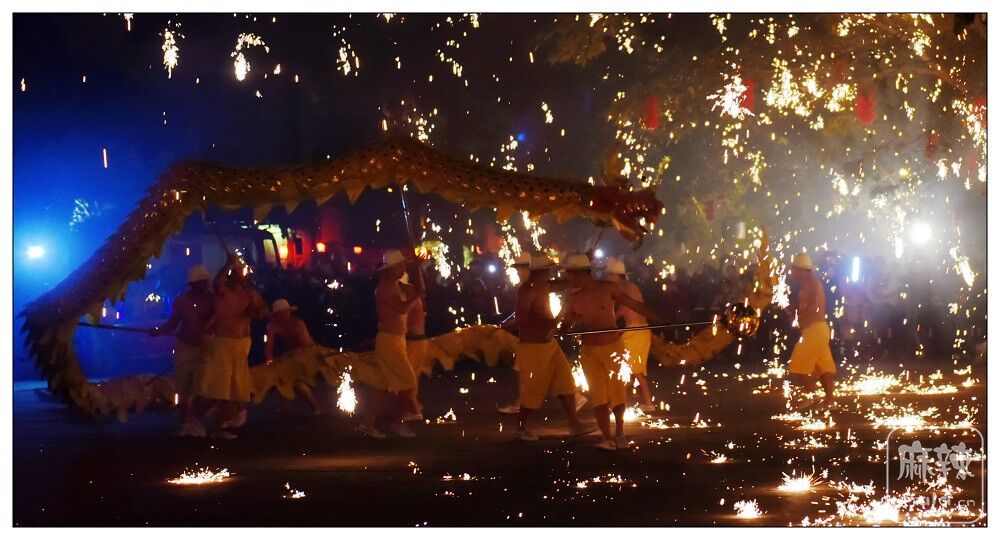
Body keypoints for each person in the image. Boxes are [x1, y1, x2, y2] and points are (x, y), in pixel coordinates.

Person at [559, 253, 663, 451]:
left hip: (613, 348)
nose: (567, 279)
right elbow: (565, 325)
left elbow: (634, 305)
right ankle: (607, 437)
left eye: (569, 274)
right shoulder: (573, 299)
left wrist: (658, 318)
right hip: (589, 352)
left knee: (617, 394)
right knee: (599, 397)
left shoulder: (607, 288)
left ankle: (620, 434)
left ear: (579, 274)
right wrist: (562, 328)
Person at [512, 254, 592, 441]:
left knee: (566, 383)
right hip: (533, 348)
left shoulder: (545, 285)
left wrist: (580, 268)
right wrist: (547, 323)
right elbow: (520, 319)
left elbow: (566, 283)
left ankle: (575, 425)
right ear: (541, 271)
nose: (550, 272)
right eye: (548, 270)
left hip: (550, 345)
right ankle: (520, 429)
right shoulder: (527, 290)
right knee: (533, 391)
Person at [194, 254, 268, 439]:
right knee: (221, 391)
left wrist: (257, 311)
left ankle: (214, 425)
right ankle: (201, 422)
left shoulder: (251, 294)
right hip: (222, 344)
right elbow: (217, 282)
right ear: (230, 275)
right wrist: (228, 264)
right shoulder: (222, 291)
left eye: (240, 272)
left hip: (240, 346)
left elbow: (264, 311)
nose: (239, 275)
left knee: (236, 393)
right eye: (235, 273)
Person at [359, 249, 424, 439]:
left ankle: (367, 424)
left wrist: (416, 270)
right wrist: (416, 297)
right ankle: (396, 422)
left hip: (396, 340)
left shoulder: (395, 284)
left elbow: (420, 290)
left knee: (384, 386)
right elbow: (402, 308)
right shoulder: (386, 287)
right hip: (389, 341)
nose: (403, 269)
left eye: (403, 265)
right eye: (400, 266)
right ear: (390, 269)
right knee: (409, 383)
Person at [149, 265, 216, 437]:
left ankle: (196, 422)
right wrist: (159, 331)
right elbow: (173, 323)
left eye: (204, 282)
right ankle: (186, 423)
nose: (204, 285)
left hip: (206, 348)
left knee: (203, 388)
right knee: (184, 389)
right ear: (193, 284)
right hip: (185, 348)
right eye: (200, 283)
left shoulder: (213, 300)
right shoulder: (181, 301)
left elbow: (219, 321)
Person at [602, 257, 655, 413]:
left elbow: (626, 309)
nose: (606, 278)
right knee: (629, 369)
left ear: (615, 275)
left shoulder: (625, 287)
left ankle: (616, 403)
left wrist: (610, 321)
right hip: (638, 331)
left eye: (608, 275)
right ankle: (621, 402)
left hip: (636, 331)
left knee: (626, 367)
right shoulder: (627, 286)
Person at [786, 252, 837, 410]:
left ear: (803, 270)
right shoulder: (806, 285)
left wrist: (799, 317)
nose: (793, 272)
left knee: (797, 365)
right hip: (817, 329)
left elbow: (814, 308)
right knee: (823, 368)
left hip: (814, 329)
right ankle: (830, 401)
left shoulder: (813, 284)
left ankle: (813, 395)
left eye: (795, 269)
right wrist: (792, 310)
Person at [263, 298, 322, 415]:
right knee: (279, 376)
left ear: (289, 312)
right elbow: (268, 348)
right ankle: (284, 406)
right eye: (281, 313)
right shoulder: (272, 326)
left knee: (299, 384)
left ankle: (316, 408)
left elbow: (306, 347)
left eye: (286, 312)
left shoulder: (298, 324)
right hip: (291, 355)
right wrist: (270, 363)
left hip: (309, 353)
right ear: (276, 315)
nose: (284, 315)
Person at [497, 252, 532, 415]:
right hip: (527, 337)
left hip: (532, 338)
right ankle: (521, 403)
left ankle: (521, 404)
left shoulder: (529, 288)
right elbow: (520, 312)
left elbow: (525, 315)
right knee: (526, 372)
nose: (518, 272)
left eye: (520, 269)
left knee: (525, 372)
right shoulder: (526, 287)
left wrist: (507, 324)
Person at [399, 262, 427, 422]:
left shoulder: (411, 298)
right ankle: (412, 408)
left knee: (408, 379)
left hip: (415, 342)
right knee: (410, 378)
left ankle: (415, 411)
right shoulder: (412, 295)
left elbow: (403, 318)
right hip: (414, 342)